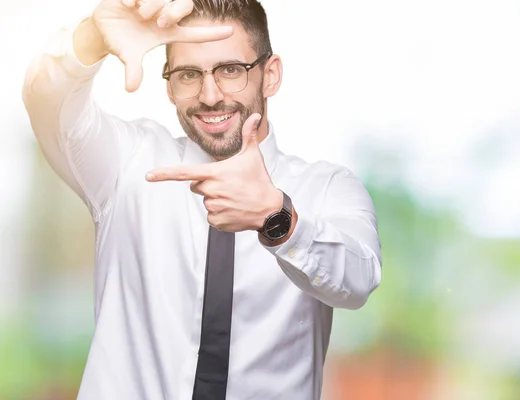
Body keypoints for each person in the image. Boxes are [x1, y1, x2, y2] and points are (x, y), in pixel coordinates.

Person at [22, 0, 382, 399]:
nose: (210, 96)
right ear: (169, 86)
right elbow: (47, 105)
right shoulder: (127, 164)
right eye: (188, 74)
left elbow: (359, 280)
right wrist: (91, 36)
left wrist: (276, 217)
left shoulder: (327, 187)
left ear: (270, 75)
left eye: (231, 70)